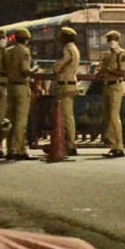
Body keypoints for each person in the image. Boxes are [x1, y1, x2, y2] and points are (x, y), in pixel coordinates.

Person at [3, 27, 34, 160]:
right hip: (22, 86)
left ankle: (10, 148)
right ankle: (19, 150)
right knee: (21, 120)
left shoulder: (7, 51)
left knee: (10, 118)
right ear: (26, 40)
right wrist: (35, 70)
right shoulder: (24, 52)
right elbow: (25, 70)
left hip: (9, 87)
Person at [98, 29, 125, 158]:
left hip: (116, 85)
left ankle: (119, 147)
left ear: (118, 40)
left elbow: (122, 72)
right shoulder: (107, 55)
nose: (111, 42)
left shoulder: (121, 54)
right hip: (106, 86)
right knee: (108, 116)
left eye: (113, 40)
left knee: (114, 116)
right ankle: (112, 146)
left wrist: (108, 70)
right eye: (109, 40)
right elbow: (102, 71)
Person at [53, 26, 81, 155]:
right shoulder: (74, 48)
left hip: (65, 84)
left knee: (66, 116)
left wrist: (56, 67)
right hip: (70, 83)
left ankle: (70, 144)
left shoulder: (68, 49)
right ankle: (69, 143)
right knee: (68, 115)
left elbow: (60, 66)